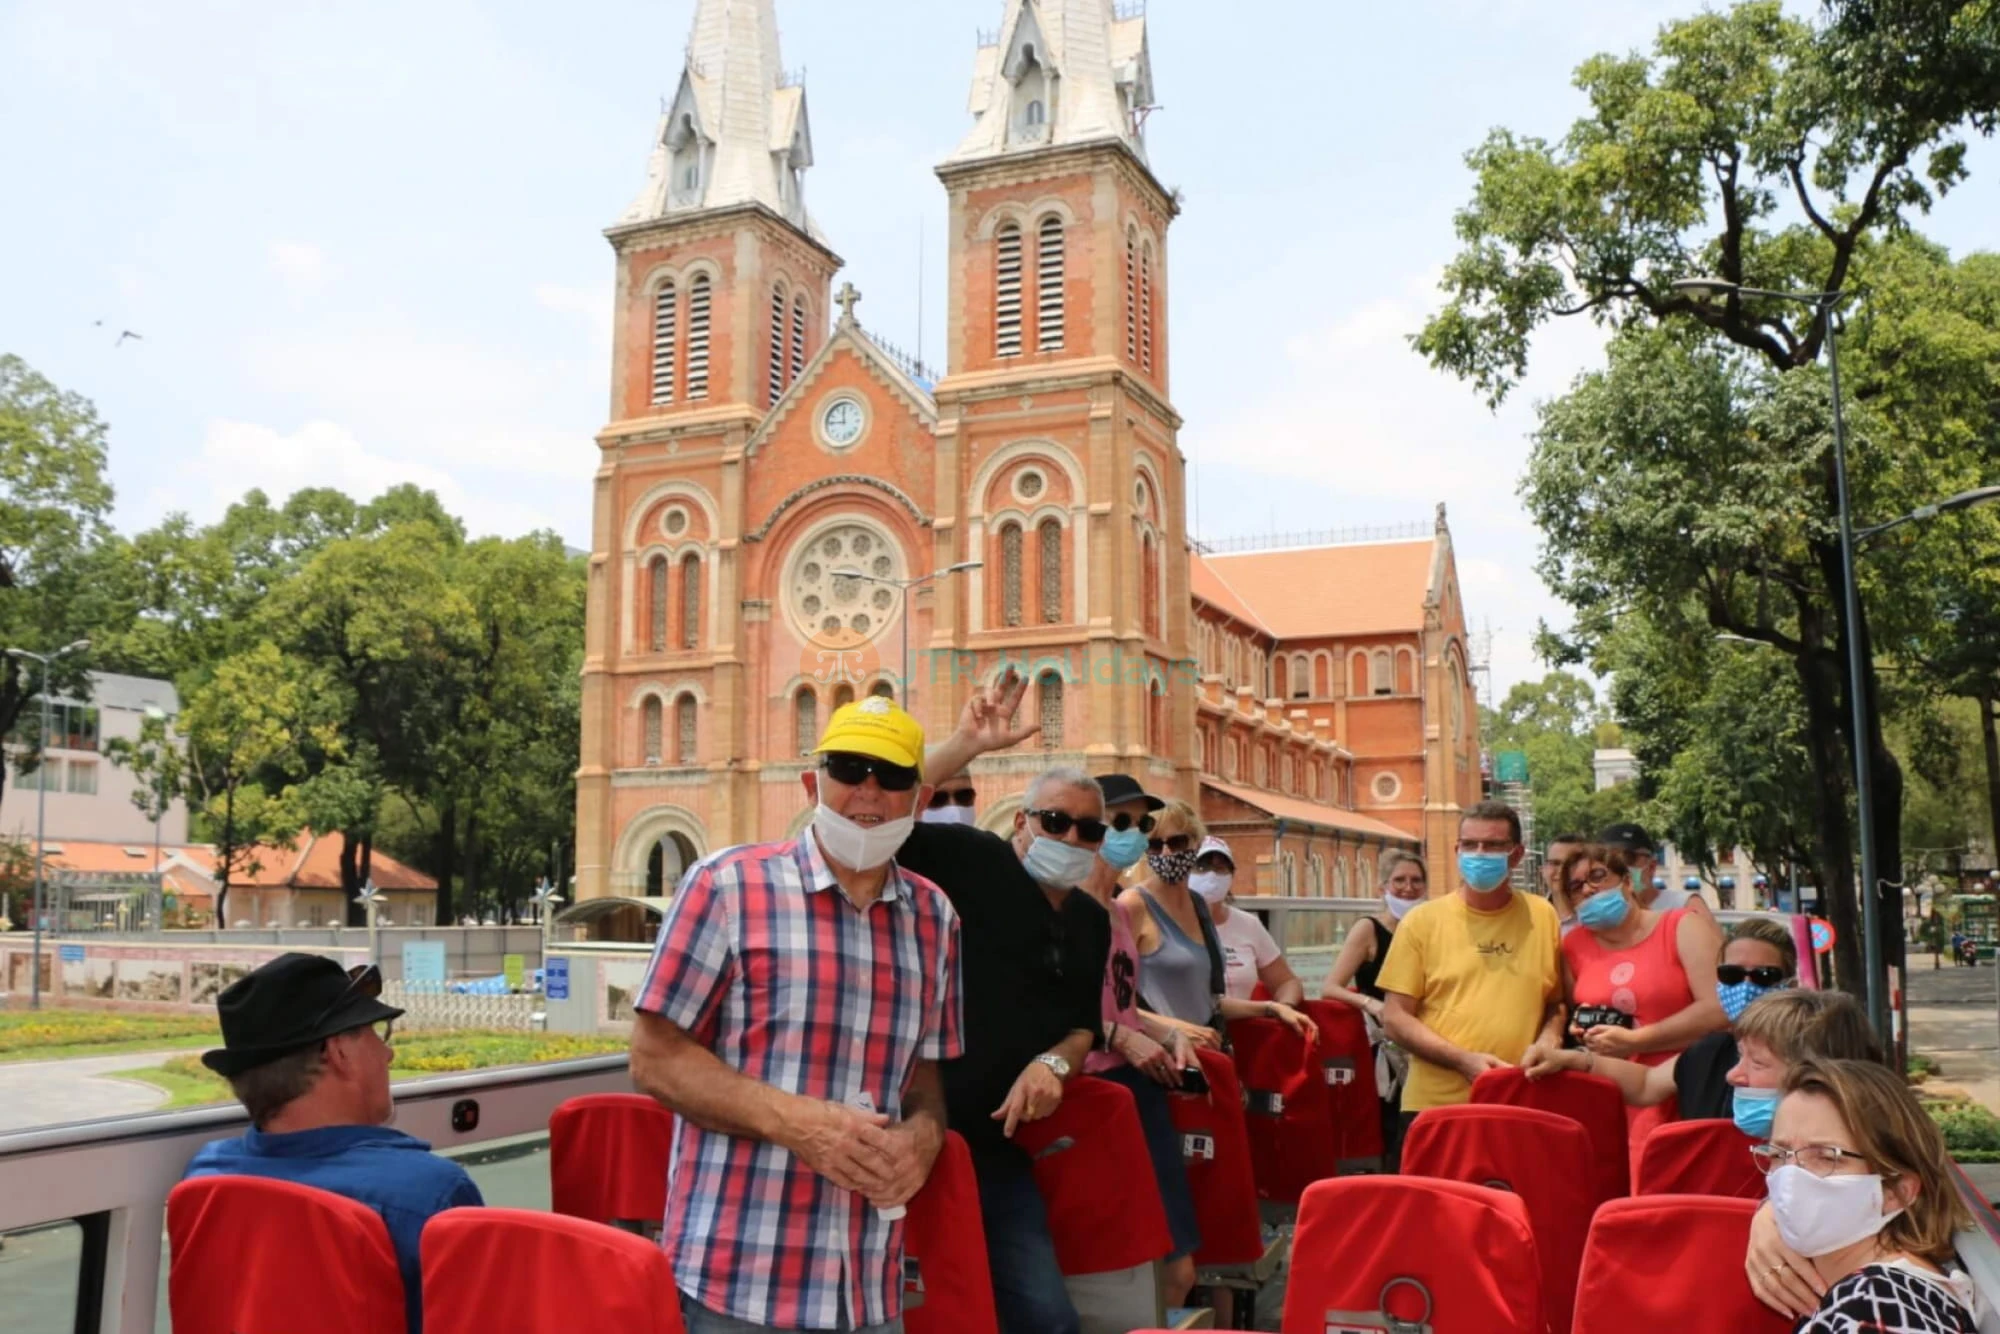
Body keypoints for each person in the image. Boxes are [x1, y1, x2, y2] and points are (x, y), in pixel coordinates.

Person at [629, 696, 962, 1334]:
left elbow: (922, 1075)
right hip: (736, 1285)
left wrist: (925, 1136)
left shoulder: (937, 918)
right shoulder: (724, 888)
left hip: (870, 1287)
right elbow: (653, 1057)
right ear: (813, 782)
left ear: (918, 800)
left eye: (891, 777)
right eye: (848, 768)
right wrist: (797, 1123)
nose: (868, 791)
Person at [897, 675, 1112, 1334]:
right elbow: (881, 811)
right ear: (1021, 822)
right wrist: (965, 744)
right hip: (904, 1130)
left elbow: (1084, 1024)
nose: (1071, 838)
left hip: (996, 1152)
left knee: (1046, 1319)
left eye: (1088, 829)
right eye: (1055, 822)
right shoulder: (974, 862)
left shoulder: (1091, 921)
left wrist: (1054, 1064)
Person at [185, 953, 483, 1334]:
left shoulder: (206, 1178)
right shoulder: (430, 1194)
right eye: (376, 1033)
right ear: (339, 1052)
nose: (387, 1052)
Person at [1079, 774, 1203, 1306]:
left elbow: (1121, 1002)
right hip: (1094, 1095)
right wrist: (1125, 1040)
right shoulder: (1062, 907)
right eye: (1120, 822)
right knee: (1131, 1272)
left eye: (1140, 823)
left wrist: (1166, 1031)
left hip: (1138, 1091)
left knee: (1177, 1268)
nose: (1132, 835)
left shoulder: (1113, 908)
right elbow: (1046, 1002)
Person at [1377, 800, 1565, 1137]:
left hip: (1521, 1101)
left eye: (1493, 845)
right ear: (1456, 849)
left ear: (1517, 854)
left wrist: (1550, 1038)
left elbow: (1555, 1002)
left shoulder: (1543, 916)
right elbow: (1394, 1018)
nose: (1480, 853)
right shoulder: (1422, 922)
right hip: (1436, 1107)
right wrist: (1462, 1060)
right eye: (1470, 845)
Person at [1755, 1059, 1978, 1332]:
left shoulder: (1873, 1303)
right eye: (1779, 1154)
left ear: (1897, 1191)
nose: (1790, 1178)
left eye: (1826, 1157)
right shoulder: (1882, 1291)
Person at [1524, 916, 1824, 1119]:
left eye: (1763, 975)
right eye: (1731, 974)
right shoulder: (1710, 1051)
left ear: (1789, 984)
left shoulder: (1816, 1052)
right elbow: (1645, 1083)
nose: (1745, 986)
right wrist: (1573, 1059)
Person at [1555, 841, 1726, 1153]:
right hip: (1607, 1097)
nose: (1588, 890)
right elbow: (1571, 1010)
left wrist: (1637, 1041)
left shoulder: (1682, 925)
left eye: (1598, 876)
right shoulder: (1572, 946)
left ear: (1626, 881)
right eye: (1576, 886)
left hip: (1681, 1088)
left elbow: (1718, 1010)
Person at [1119, 800, 1318, 1048]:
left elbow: (1207, 1001)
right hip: (1162, 1057)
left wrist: (1271, 1008)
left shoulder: (1198, 906)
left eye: (1177, 843)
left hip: (1208, 1052)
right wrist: (1174, 1031)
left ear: (1196, 844)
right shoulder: (1134, 904)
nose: (1167, 853)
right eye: (1155, 845)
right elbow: (1112, 1003)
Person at [1323, 849, 1427, 1165]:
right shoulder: (1368, 929)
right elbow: (1331, 987)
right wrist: (1372, 1004)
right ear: (1383, 886)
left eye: (1416, 881)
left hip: (1423, 1042)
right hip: (1383, 1049)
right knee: (1390, 1127)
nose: (1408, 888)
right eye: (1399, 881)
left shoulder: (1428, 928)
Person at [1195, 836, 1306, 1005]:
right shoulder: (1169, 923)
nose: (1211, 875)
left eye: (1220, 869)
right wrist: (1266, 1009)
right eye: (1202, 868)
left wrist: (1284, 1008)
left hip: (1244, 1026)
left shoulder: (1248, 925)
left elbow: (1287, 982)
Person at [1597, 822, 1717, 924]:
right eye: (1604, 859)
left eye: (1627, 858)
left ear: (1652, 866)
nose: (1617, 867)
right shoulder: (1595, 913)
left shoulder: (1684, 905)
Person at [1540, 832, 1586, 935]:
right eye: (1555, 863)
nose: (1561, 871)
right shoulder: (1530, 917)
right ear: (1543, 870)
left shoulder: (1597, 919)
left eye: (1571, 864)